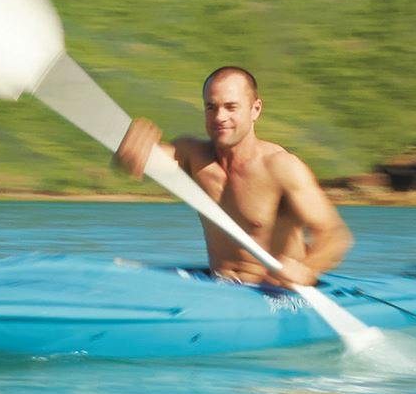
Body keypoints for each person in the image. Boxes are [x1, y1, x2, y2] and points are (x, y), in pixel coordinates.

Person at [112, 65, 353, 289]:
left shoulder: (280, 167)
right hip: (219, 286)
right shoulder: (192, 156)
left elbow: (335, 235)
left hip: (273, 292)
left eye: (231, 107)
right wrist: (130, 152)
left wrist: (307, 270)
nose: (219, 117)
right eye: (211, 107)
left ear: (255, 109)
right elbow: (146, 160)